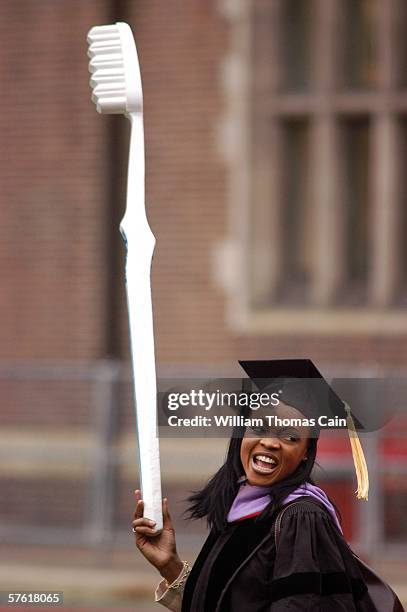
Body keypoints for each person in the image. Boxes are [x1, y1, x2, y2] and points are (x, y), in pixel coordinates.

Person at [132, 360, 399, 611]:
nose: (270, 442)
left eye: (290, 436)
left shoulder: (300, 518)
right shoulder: (243, 508)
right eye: (259, 428)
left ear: (306, 451)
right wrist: (170, 566)